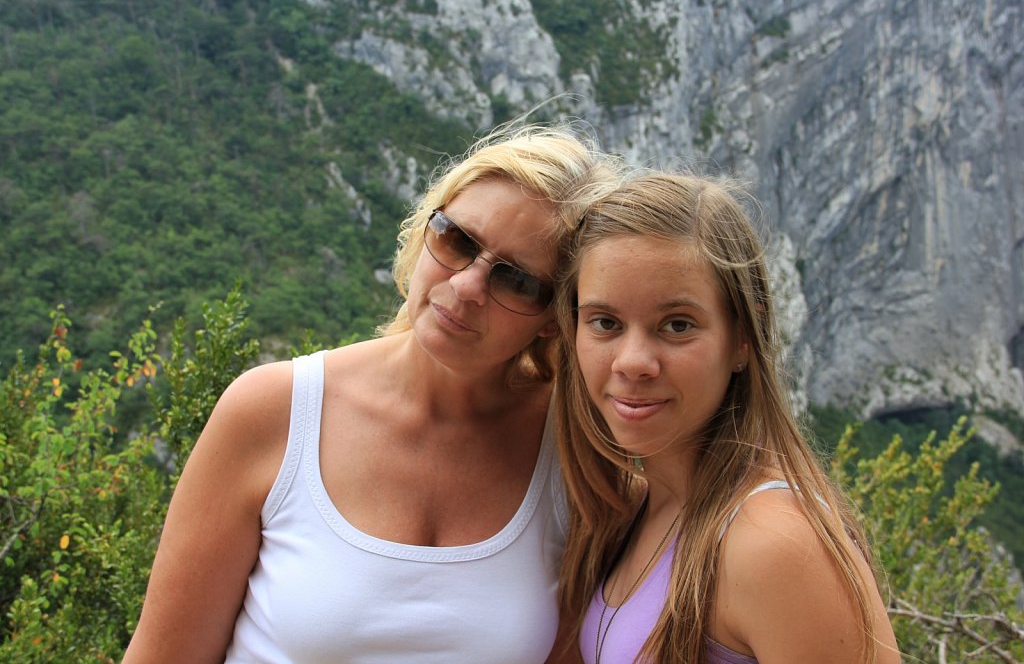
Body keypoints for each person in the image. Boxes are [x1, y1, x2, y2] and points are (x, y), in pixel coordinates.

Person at [123, 121, 622, 663]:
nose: (466, 287)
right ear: (425, 228)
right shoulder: (275, 413)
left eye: (517, 280)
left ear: (555, 319)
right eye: (457, 240)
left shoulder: (576, 457)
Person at [552, 172, 900, 663]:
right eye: (605, 323)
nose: (632, 362)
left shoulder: (776, 545)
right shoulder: (636, 507)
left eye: (677, 326)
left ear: (741, 338)